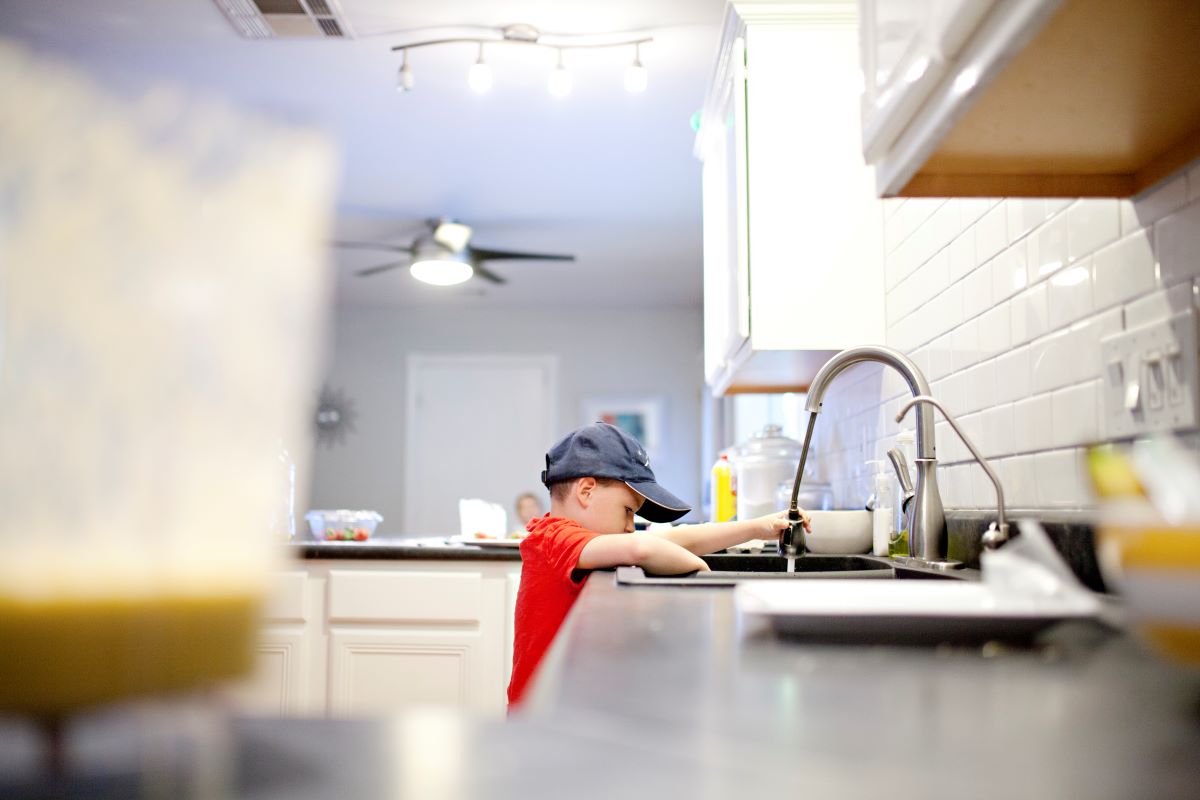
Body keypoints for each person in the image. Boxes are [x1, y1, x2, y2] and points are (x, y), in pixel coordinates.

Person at [507, 421, 810, 710]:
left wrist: (758, 527)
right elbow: (643, 547)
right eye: (628, 511)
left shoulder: (580, 538)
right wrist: (704, 573)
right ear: (586, 491)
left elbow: (681, 537)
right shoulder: (552, 537)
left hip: (567, 697)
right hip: (542, 711)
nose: (630, 527)